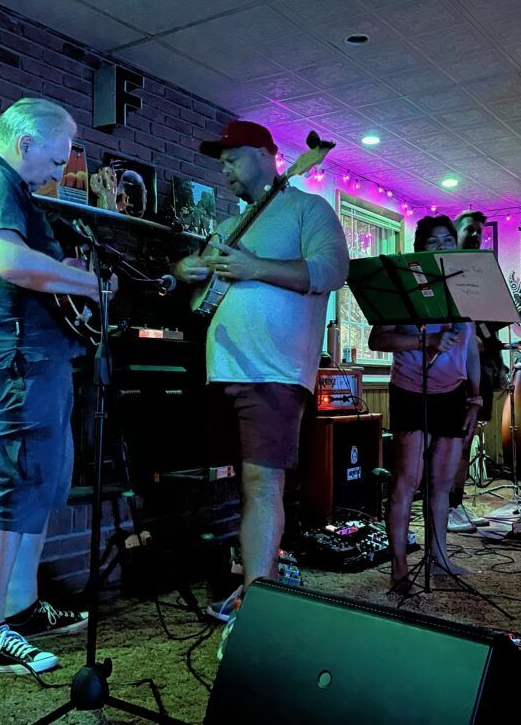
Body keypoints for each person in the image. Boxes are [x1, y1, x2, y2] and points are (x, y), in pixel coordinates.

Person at [0, 98, 105, 674]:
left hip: (34, 351)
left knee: (41, 478)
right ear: (26, 143)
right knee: (13, 482)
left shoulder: (0, 182)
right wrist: (86, 282)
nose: (61, 174)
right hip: (15, 353)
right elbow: (8, 261)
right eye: (57, 160)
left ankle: (20, 606)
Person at [172, 121, 348, 652]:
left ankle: (258, 601)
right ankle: (252, 578)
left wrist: (253, 266)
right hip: (221, 369)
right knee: (235, 484)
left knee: (261, 484)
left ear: (272, 156)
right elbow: (191, 290)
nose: (224, 168)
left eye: (234, 157)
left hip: (272, 369)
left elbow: (331, 270)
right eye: (220, 160)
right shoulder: (229, 222)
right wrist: (193, 265)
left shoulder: (308, 210)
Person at [368, 215, 482, 591]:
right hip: (410, 390)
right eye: (432, 242)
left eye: (447, 240)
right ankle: (399, 569)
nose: (441, 247)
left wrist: (475, 396)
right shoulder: (402, 290)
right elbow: (378, 341)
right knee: (407, 481)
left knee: (442, 483)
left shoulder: (464, 290)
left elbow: (471, 351)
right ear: (420, 248)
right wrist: (426, 343)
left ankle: (439, 559)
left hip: (452, 392)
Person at [446, 211, 494, 533]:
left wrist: (497, 363)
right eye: (469, 230)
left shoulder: (482, 273)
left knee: (467, 440)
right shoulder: (446, 272)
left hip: (479, 369)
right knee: (451, 443)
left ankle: (457, 504)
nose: (475, 236)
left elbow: (490, 324)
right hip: (451, 373)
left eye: (479, 232)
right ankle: (445, 506)